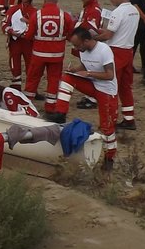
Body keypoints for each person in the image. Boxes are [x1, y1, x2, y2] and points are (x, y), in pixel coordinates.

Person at [47, 26, 118, 169]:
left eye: (77, 45)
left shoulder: (104, 50)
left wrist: (89, 73)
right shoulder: (84, 51)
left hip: (107, 91)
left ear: (86, 41)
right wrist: (75, 70)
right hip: (93, 86)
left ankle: (109, 158)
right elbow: (84, 65)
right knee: (67, 78)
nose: (76, 48)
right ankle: (60, 113)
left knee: (107, 126)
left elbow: (110, 75)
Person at [96, 0, 141, 129]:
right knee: (125, 87)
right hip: (128, 50)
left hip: (116, 51)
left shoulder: (118, 12)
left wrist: (93, 38)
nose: (111, 0)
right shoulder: (134, 10)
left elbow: (109, 35)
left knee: (112, 86)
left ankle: (112, 119)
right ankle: (129, 119)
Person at [25, 0, 75, 102]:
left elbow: (28, 36)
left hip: (38, 54)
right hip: (56, 56)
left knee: (32, 78)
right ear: (57, 1)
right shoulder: (65, 16)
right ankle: (51, 107)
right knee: (54, 80)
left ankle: (27, 104)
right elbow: (71, 35)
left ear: (44, 0)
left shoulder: (36, 15)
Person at [3, 0, 36, 86]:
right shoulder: (13, 9)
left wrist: (28, 22)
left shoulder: (34, 11)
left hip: (28, 42)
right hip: (15, 41)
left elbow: (38, 26)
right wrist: (11, 31)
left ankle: (31, 88)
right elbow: (4, 24)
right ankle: (16, 86)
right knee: (15, 62)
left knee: (31, 64)